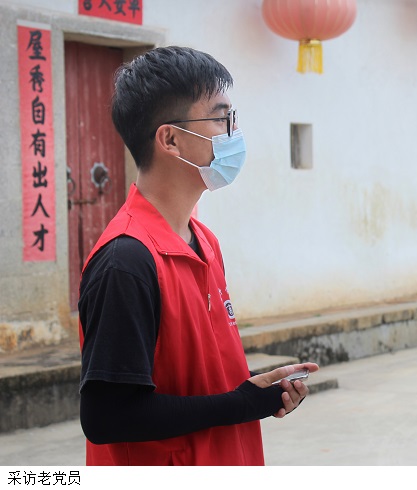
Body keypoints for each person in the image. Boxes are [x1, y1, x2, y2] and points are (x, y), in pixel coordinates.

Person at [78, 46, 318, 466]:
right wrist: (241, 404)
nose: (233, 132)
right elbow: (107, 416)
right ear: (170, 139)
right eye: (221, 119)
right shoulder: (126, 262)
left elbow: (197, 378)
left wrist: (257, 392)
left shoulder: (204, 241)